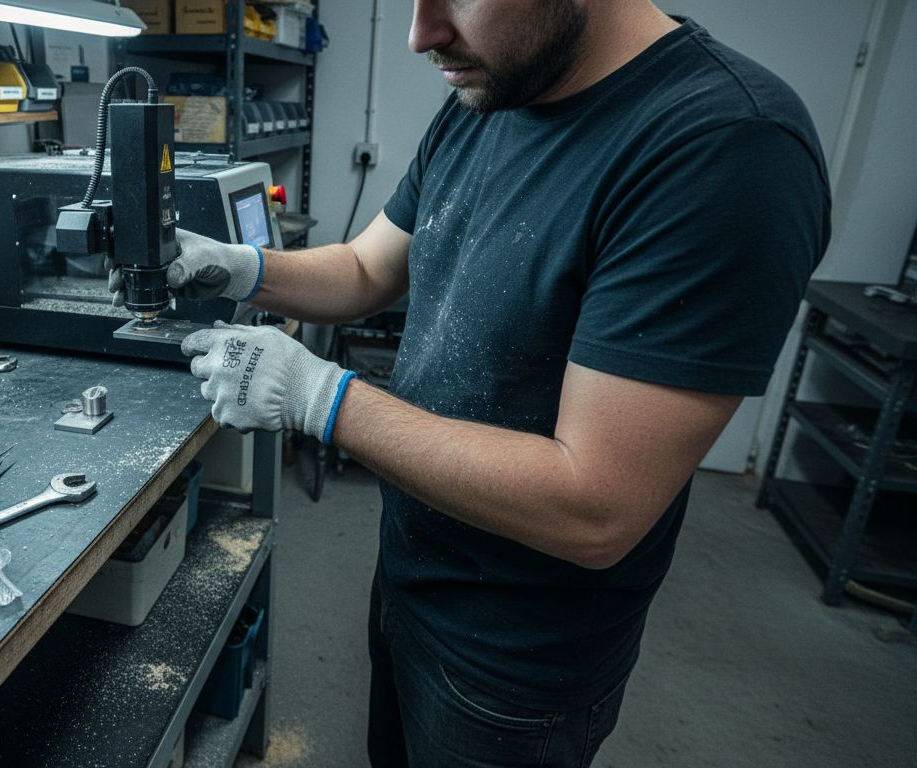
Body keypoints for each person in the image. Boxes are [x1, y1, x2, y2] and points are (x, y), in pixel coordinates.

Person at [164, 1, 830, 765]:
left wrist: (321, 398)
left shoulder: (725, 148)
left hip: (517, 663)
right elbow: (366, 268)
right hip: (415, 574)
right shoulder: (495, 87)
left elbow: (596, 508)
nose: (422, 34)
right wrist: (244, 270)